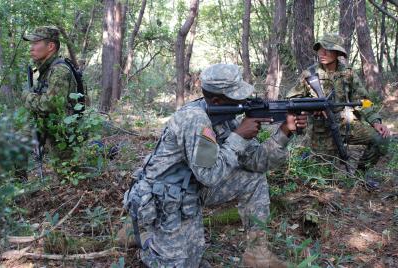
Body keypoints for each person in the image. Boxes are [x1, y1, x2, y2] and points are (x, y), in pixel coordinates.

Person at [123, 63, 308, 267]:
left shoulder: (224, 117)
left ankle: (257, 253)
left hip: (192, 189)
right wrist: (238, 137)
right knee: (180, 263)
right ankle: (143, 234)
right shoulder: (194, 119)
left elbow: (258, 162)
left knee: (253, 179)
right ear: (217, 100)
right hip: (165, 197)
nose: (243, 101)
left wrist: (284, 132)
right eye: (236, 96)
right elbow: (209, 176)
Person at [287, 33, 390, 188]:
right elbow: (291, 99)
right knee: (325, 183)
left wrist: (376, 121)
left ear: (337, 53)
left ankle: (361, 177)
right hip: (321, 131)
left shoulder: (347, 73)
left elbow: (364, 101)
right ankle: (309, 158)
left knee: (381, 139)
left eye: (327, 50)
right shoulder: (310, 74)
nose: (322, 53)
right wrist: (312, 106)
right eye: (320, 49)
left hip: (345, 124)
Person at [22, 26, 82, 159]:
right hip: (47, 124)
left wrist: (27, 97)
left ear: (50, 46)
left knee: (67, 174)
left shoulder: (59, 70)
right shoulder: (46, 68)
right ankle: (19, 178)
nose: (31, 48)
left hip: (61, 131)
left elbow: (51, 104)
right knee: (17, 146)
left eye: (36, 43)